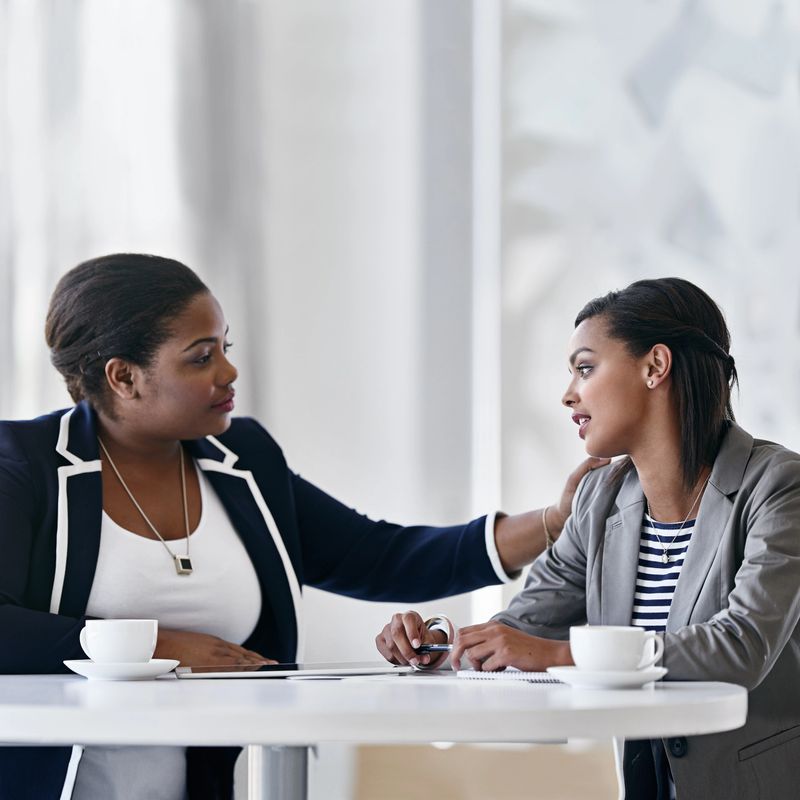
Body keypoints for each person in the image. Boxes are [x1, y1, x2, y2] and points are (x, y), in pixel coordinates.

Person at [0, 253, 604, 800]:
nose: (230, 372)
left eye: (224, 348)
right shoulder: (25, 465)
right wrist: (155, 648)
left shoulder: (244, 461)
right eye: (201, 357)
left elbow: (377, 555)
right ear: (124, 377)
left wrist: (554, 521)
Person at [377, 277, 800, 799]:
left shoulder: (778, 485)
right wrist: (440, 645)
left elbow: (741, 646)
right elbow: (523, 627)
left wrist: (559, 656)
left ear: (655, 367)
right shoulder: (600, 499)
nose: (568, 394)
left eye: (585, 367)